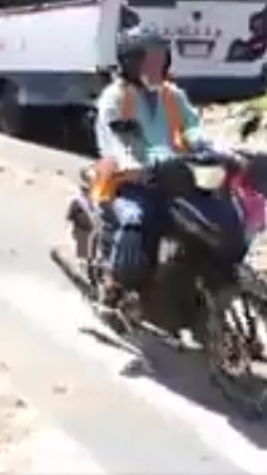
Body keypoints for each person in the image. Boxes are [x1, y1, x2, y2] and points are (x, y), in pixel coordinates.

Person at [90, 25, 242, 319]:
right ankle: (113, 288)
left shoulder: (173, 94)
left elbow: (194, 127)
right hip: (128, 183)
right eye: (149, 59)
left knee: (214, 217)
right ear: (130, 61)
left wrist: (214, 149)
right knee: (138, 220)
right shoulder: (115, 98)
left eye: (161, 58)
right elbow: (117, 142)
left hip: (176, 177)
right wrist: (134, 163)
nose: (157, 64)